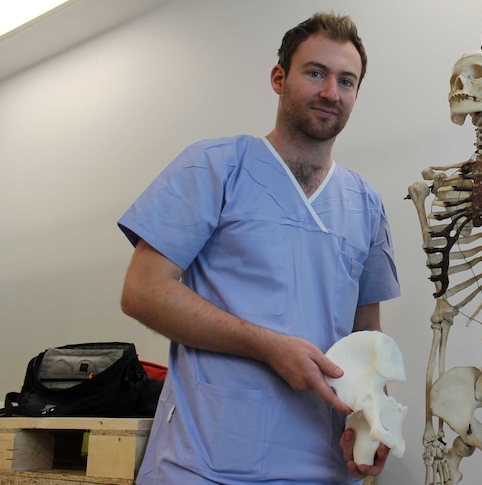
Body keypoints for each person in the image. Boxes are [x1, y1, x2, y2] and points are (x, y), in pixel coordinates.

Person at [118, 12, 400, 485]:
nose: (331, 91)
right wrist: (267, 346)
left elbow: (367, 337)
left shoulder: (366, 204)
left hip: (323, 466)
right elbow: (142, 291)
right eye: (316, 73)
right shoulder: (214, 168)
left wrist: (370, 422)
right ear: (279, 78)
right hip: (202, 461)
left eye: (346, 81)